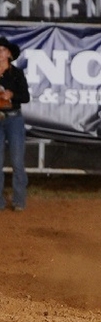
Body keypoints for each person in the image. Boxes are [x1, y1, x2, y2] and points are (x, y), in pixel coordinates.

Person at [0, 37, 30, 212]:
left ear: (9, 54)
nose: (0, 53)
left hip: (14, 119)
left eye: (3, 50)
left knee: (17, 161)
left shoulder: (17, 74)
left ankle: (19, 200)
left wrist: (11, 95)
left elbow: (25, 97)